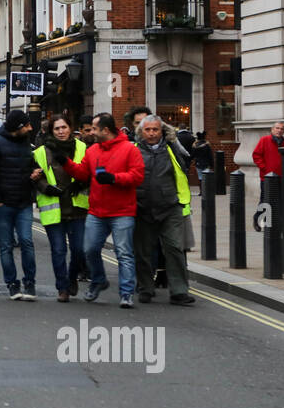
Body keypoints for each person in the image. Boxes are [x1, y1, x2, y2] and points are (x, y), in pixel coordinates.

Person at [65, 113, 146, 308]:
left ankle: (126, 293)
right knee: (89, 250)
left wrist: (114, 178)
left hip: (122, 211)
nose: (91, 131)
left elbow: (137, 176)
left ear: (105, 130)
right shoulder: (92, 151)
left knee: (123, 253)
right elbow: (83, 173)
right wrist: (65, 162)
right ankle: (99, 280)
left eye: (94, 128)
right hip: (97, 211)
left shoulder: (129, 149)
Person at [132, 115, 197, 306]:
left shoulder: (171, 149)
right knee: (143, 251)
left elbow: (185, 162)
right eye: (148, 130)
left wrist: (174, 141)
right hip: (143, 208)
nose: (152, 133)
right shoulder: (133, 151)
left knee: (175, 248)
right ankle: (145, 288)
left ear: (162, 131)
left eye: (155, 130)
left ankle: (179, 291)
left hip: (170, 207)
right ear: (141, 132)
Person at [0, 109, 39, 301]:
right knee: (6, 245)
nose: (30, 128)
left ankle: (29, 282)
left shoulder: (26, 143)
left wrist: (34, 175)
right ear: (18, 128)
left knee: (27, 242)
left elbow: (29, 166)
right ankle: (12, 283)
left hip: (23, 202)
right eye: (27, 125)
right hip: (3, 204)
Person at [33, 114, 89, 302]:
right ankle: (62, 288)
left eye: (64, 127)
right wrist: (45, 187)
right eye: (57, 128)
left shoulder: (82, 147)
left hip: (77, 208)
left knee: (79, 249)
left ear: (70, 128)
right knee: (58, 250)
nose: (61, 131)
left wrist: (80, 184)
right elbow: (36, 175)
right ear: (51, 131)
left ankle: (72, 277)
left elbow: (90, 171)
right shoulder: (41, 151)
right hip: (53, 207)